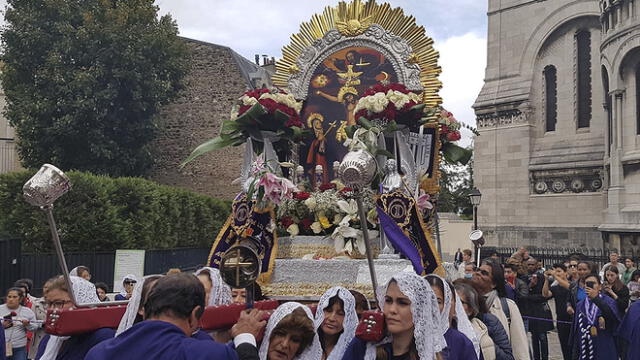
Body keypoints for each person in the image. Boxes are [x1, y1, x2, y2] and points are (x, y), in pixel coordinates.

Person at [85, 273, 239, 360]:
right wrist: (246, 338)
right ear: (194, 315)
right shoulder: (211, 354)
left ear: (145, 308)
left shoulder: (98, 353)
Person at [342, 271, 446, 360]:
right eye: (388, 300)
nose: (392, 310)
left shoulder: (427, 356)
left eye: (402, 303)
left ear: (420, 310)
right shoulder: (363, 346)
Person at [35, 275, 114, 360]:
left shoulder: (103, 337)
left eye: (58, 303)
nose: (51, 309)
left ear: (81, 302)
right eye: (49, 304)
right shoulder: (50, 338)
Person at [473, 261, 529, 360]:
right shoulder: (465, 303)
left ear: (494, 283)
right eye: (478, 270)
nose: (478, 274)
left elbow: (519, 345)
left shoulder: (508, 307)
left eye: (484, 273)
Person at [454, 281, 514, 360]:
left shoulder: (485, 326)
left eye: (460, 302)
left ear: (470, 309)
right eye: (451, 300)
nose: (454, 305)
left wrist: (487, 344)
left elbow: (507, 357)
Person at [425, 275, 478, 360]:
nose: (432, 306)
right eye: (426, 300)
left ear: (446, 305)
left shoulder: (461, 342)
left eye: (438, 302)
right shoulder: (406, 335)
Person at [570, 274, 620, 360]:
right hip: (586, 348)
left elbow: (613, 317)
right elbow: (576, 328)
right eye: (587, 283)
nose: (589, 286)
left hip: (604, 345)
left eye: (593, 283)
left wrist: (596, 298)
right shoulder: (580, 305)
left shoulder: (608, 301)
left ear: (600, 287)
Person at [313, 287, 357, 360]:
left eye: (340, 314)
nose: (332, 318)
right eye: (328, 310)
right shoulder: (305, 344)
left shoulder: (352, 351)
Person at [522, 258, 553, 360]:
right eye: (529, 264)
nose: (530, 266)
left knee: (542, 336)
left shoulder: (542, 278)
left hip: (541, 310)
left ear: (536, 266)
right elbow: (523, 295)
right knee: (534, 337)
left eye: (532, 264)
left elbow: (544, 296)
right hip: (530, 310)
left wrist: (531, 297)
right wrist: (531, 286)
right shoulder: (524, 278)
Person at [541, 264, 571, 360]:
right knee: (564, 345)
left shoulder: (572, 284)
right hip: (561, 320)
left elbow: (568, 287)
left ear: (565, 273)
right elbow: (546, 294)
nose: (556, 273)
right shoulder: (556, 287)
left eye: (559, 271)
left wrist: (555, 276)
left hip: (572, 319)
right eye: (555, 271)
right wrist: (546, 280)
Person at [2, 288, 38, 360]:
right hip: (2, 347)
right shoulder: (0, 309)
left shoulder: (27, 311)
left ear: (21, 299)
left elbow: (35, 327)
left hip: (20, 348)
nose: (11, 299)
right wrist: (1, 326)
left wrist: (27, 324)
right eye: (9, 297)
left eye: (14, 297)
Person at [28, 279, 54, 360]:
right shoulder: (36, 304)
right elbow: (31, 324)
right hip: (39, 338)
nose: (46, 289)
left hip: (54, 338)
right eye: (45, 287)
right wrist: (42, 323)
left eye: (49, 287)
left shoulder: (58, 303)